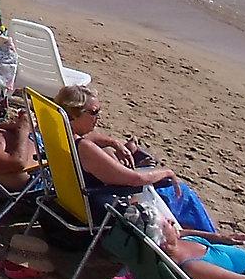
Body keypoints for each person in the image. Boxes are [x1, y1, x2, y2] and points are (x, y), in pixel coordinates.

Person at [54, 85, 218, 231]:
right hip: (100, 209)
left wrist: (114, 142)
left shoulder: (58, 135)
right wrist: (167, 172)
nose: (99, 117)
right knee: (179, 193)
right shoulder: (85, 148)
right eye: (94, 112)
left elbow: (91, 137)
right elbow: (134, 179)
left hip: (72, 204)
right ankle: (210, 239)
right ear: (73, 115)